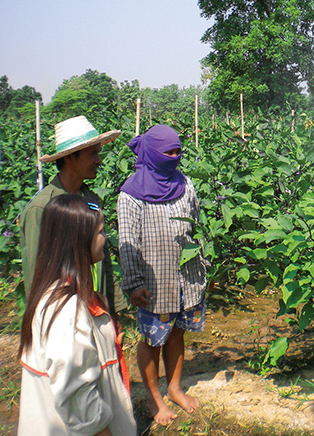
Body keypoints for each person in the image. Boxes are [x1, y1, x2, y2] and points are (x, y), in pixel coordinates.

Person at [18, 194, 136, 436]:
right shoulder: (66, 311)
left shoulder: (55, 294)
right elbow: (79, 398)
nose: (105, 239)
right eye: (100, 232)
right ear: (79, 240)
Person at [117, 124, 209, 425]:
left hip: (186, 278)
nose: (174, 157)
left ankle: (174, 388)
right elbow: (127, 242)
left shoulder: (185, 184)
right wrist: (133, 283)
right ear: (153, 153)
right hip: (154, 283)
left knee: (177, 332)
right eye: (168, 152)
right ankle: (153, 396)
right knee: (152, 339)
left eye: (178, 151)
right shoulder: (131, 195)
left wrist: (203, 262)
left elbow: (196, 225)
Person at [18, 115, 127, 316]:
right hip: (63, 314)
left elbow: (103, 261)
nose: (99, 161)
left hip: (96, 310)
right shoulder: (41, 209)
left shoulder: (90, 199)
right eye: (92, 154)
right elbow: (36, 273)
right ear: (69, 157)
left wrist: (114, 309)